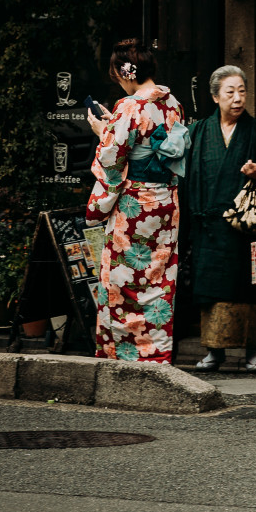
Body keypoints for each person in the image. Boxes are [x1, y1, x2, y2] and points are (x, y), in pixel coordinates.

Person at [86, 38, 186, 363]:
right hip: (166, 202)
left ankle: (128, 352)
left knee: (124, 277)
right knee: (159, 276)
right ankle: (157, 352)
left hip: (135, 204)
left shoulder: (129, 107)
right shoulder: (174, 104)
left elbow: (112, 159)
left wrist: (103, 129)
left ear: (124, 72)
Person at [186, 65, 256, 373]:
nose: (238, 98)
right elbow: (186, 176)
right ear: (216, 96)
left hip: (248, 227)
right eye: (230, 92)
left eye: (242, 91)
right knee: (211, 289)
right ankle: (214, 352)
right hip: (210, 226)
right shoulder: (199, 132)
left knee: (249, 288)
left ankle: (252, 351)